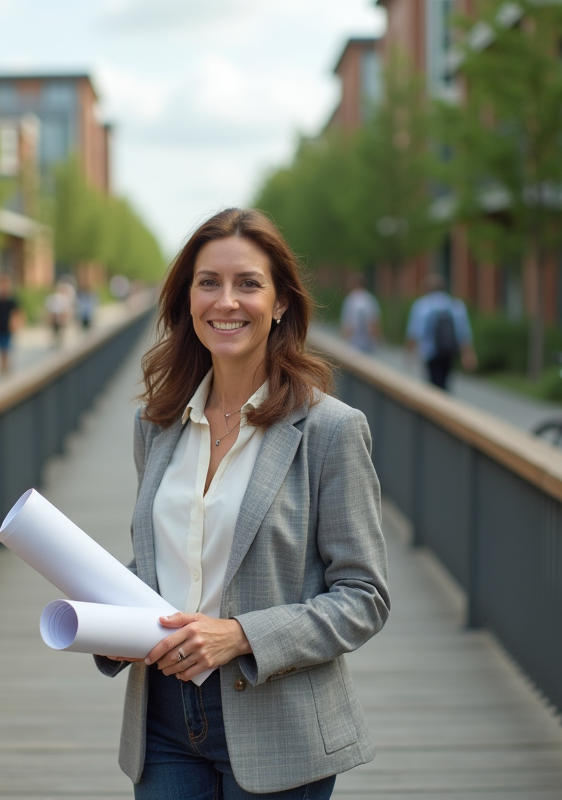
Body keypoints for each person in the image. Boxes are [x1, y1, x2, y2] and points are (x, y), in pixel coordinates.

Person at [95, 208, 390, 799]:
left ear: (280, 302)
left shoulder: (331, 430)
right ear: (187, 299)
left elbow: (364, 598)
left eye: (248, 284)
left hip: (280, 722)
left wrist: (241, 635)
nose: (225, 301)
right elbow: (160, 561)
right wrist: (108, 621)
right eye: (208, 282)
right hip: (162, 721)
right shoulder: (156, 425)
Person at [404, 274, 477, 390]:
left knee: (432, 382)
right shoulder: (455, 304)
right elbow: (463, 332)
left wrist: (409, 354)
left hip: (429, 351)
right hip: (449, 350)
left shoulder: (422, 305)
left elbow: (414, 332)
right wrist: (467, 354)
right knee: (445, 380)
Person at [0, 275, 23, 375]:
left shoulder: (12, 300)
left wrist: (16, 324)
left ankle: (6, 367)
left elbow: (18, 313)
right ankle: (2, 367)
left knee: (6, 349)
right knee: (0, 349)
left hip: (8, 329)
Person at [339, 273, 381, 352]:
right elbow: (374, 324)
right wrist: (376, 342)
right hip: (367, 345)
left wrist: (343, 342)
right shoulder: (371, 300)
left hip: (353, 343)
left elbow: (348, 325)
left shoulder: (350, 300)